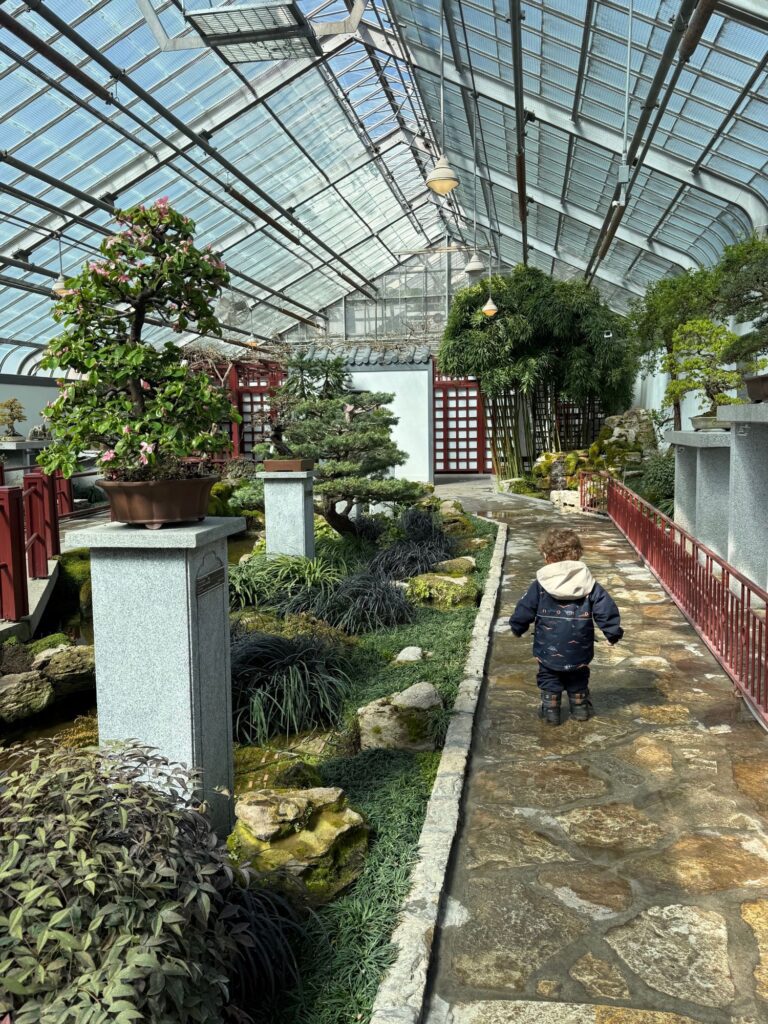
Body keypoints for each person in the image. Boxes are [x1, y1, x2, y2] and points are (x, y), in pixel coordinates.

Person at [509, 527, 623, 726]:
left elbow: (525, 607)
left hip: (547, 647)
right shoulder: (589, 585)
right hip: (579, 647)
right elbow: (606, 608)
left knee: (548, 675)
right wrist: (612, 632)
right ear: (578, 554)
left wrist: (518, 626)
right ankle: (580, 708)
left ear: (547, 557)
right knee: (578, 675)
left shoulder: (540, 585)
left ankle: (551, 710)